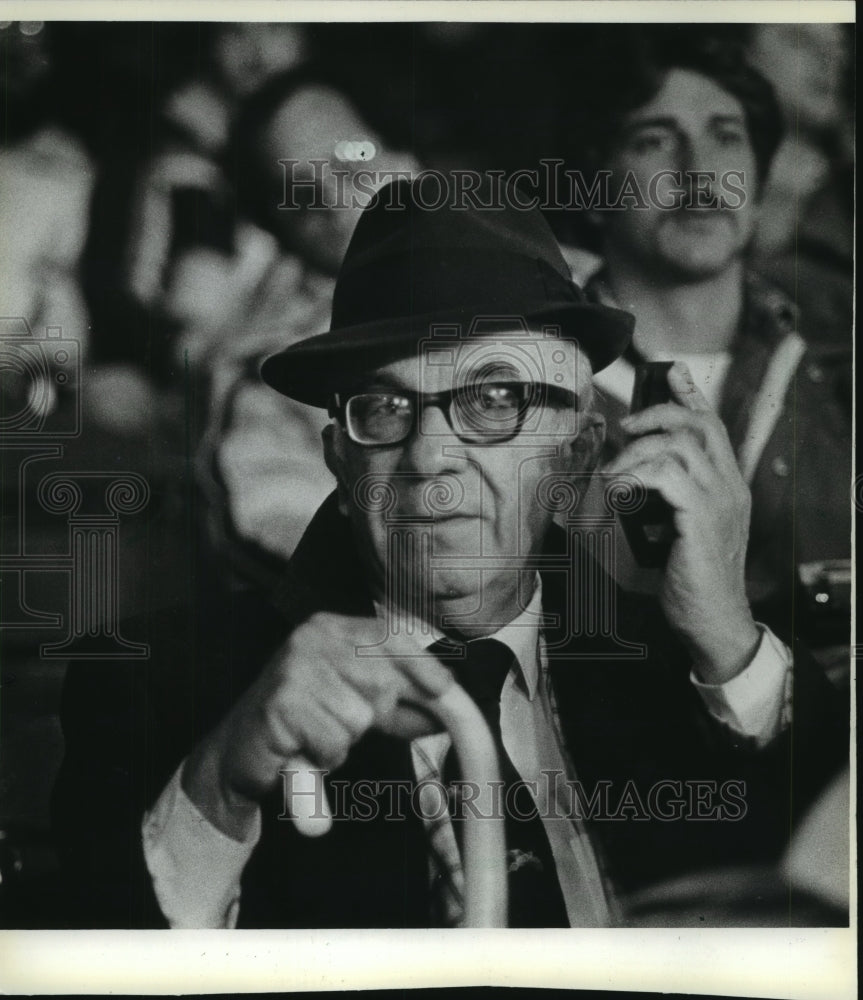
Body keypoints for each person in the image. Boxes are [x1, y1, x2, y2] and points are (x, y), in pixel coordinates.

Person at [52, 176, 847, 930]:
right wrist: (222, 786)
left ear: (573, 456)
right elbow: (86, 959)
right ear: (340, 455)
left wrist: (727, 641)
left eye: (493, 398)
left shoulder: (689, 670)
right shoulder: (163, 687)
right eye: (384, 406)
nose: (430, 456)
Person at [559, 32, 851, 681]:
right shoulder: (533, 385)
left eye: (726, 136)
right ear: (589, 186)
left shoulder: (833, 362)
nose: (698, 173)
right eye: (653, 140)